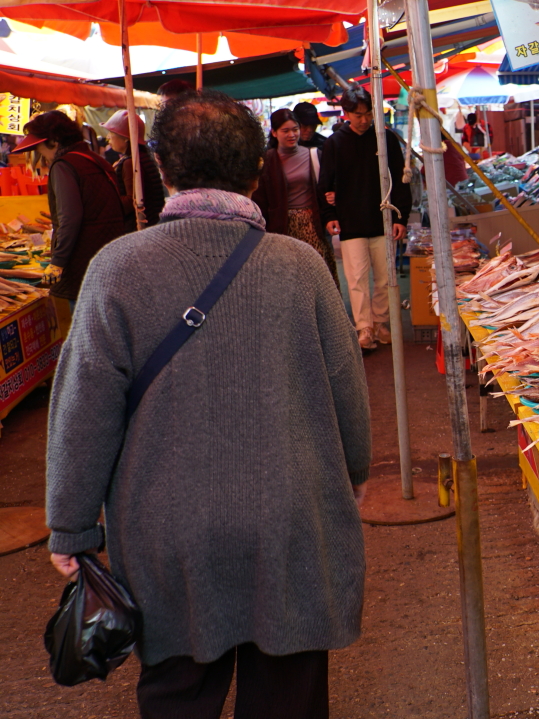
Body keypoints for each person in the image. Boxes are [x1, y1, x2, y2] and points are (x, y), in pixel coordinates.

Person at [45, 89, 370, 719]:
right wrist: (351, 475)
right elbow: (347, 392)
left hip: (167, 534)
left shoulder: (116, 268)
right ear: (256, 171)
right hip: (292, 521)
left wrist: (73, 525)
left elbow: (83, 409)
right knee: (288, 698)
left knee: (177, 697)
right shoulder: (300, 266)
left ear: (162, 169)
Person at [319, 87, 410, 350]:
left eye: (368, 114)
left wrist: (400, 216)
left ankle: (381, 323)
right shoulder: (334, 143)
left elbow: (400, 181)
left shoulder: (386, 139)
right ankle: (364, 328)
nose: (364, 119)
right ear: (346, 113)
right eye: (358, 114)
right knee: (356, 279)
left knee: (385, 278)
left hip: (383, 220)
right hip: (350, 223)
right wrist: (330, 216)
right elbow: (325, 184)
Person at [12, 110, 131, 304]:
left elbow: (70, 217)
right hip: (108, 256)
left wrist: (58, 262)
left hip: (82, 263)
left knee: (86, 325)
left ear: (54, 141)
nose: (43, 157)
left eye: (41, 149)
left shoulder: (64, 165)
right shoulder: (96, 160)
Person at [252, 108, 339, 287]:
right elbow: (260, 200)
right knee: (290, 278)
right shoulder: (266, 161)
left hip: (311, 223)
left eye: (295, 129)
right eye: (286, 131)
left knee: (318, 276)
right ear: (274, 133)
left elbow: (326, 186)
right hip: (282, 226)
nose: (292, 134)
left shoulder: (314, 155)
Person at [102, 109, 166, 227]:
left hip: (138, 226)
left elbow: (131, 201)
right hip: (153, 223)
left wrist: (105, 200)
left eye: (111, 132)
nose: (108, 137)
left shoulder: (131, 163)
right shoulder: (141, 157)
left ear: (126, 138)